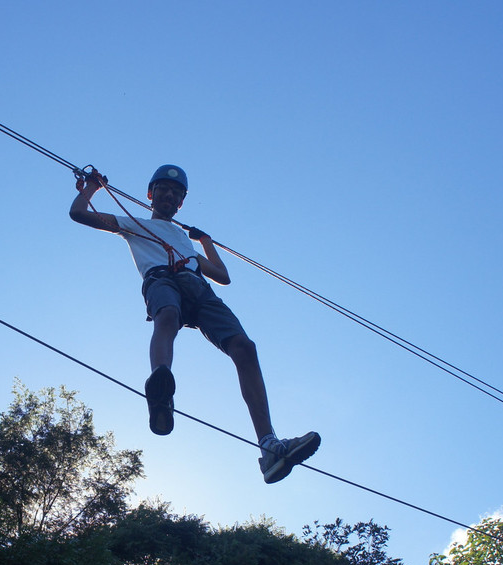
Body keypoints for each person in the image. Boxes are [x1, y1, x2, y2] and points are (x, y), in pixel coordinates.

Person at [69, 164, 320, 484]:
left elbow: (223, 276)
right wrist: (92, 188)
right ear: (150, 194)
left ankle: (269, 446)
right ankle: (160, 386)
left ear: (181, 202)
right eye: (163, 189)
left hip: (198, 287)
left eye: (177, 193)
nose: (170, 195)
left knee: (245, 347)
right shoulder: (133, 224)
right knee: (168, 316)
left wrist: (205, 242)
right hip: (161, 281)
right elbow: (79, 213)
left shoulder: (186, 244)